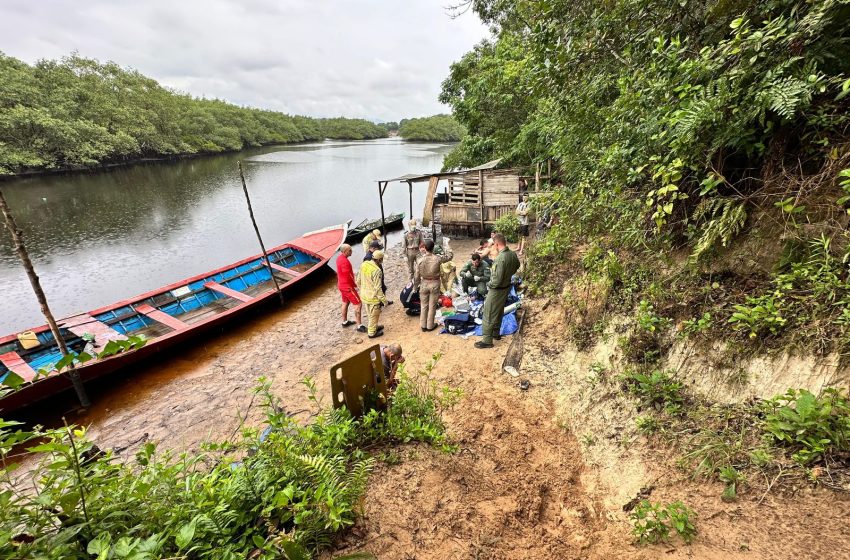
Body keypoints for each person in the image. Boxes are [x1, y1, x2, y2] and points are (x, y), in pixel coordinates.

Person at [475, 233, 521, 349]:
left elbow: (496, 280)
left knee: (489, 312)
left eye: (492, 245)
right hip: (506, 287)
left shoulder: (500, 258)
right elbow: (517, 266)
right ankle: (496, 333)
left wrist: (489, 284)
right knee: (499, 311)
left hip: (497, 289)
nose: (491, 247)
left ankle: (487, 340)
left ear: (496, 244)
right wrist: (507, 274)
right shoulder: (512, 254)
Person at [414, 238, 453, 332]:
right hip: (434, 283)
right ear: (433, 248)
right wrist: (447, 244)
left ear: (425, 248)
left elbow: (416, 276)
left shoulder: (420, 260)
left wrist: (415, 287)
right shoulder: (438, 258)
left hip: (424, 283)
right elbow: (450, 256)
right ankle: (430, 325)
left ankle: (423, 325)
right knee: (432, 305)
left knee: (423, 305)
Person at [336, 244, 366, 332]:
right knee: (358, 303)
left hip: (341, 285)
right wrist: (355, 286)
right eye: (350, 250)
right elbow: (349, 276)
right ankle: (359, 326)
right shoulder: (345, 262)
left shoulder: (339, 258)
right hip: (347, 287)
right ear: (345, 251)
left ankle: (345, 322)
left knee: (345, 302)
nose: (351, 251)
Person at [359, 249, 387, 338]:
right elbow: (378, 288)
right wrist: (384, 300)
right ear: (379, 260)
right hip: (373, 297)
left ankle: (374, 327)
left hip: (364, 294)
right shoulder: (377, 270)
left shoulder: (364, 264)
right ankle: (371, 333)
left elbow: (358, 280)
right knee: (374, 315)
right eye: (382, 259)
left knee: (369, 313)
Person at [363, 239, 392, 305]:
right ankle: (380, 303)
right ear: (373, 248)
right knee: (378, 290)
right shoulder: (368, 257)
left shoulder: (374, 254)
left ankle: (383, 301)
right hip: (375, 277)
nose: (379, 250)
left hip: (379, 275)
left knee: (383, 288)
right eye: (378, 249)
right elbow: (367, 271)